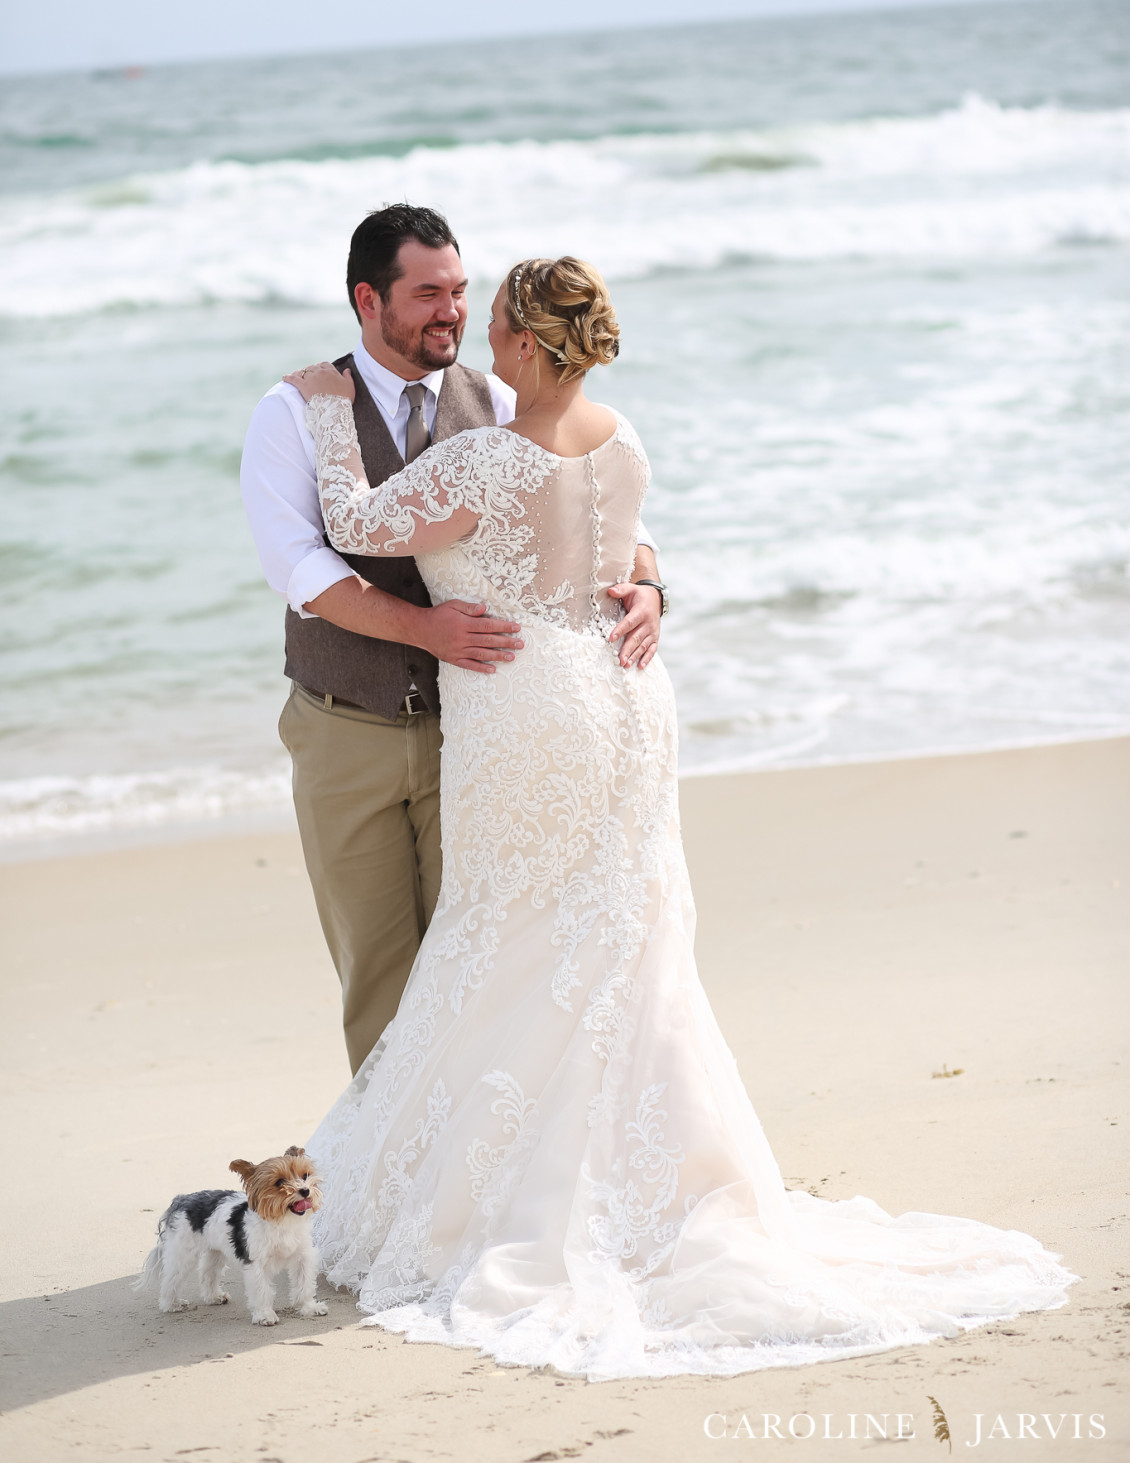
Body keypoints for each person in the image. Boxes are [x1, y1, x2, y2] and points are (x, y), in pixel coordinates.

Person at [283, 256, 1074, 1380]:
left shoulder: (479, 460)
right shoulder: (623, 437)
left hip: (530, 711)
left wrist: (322, 408)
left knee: (510, 933)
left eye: (493, 317)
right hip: (625, 694)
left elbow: (355, 519)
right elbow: (623, 552)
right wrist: (651, 588)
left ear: (516, 343)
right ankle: (648, 1178)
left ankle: (515, 1193)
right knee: (618, 937)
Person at [241, 206, 662, 1074]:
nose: (454, 313)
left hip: (475, 734)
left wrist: (651, 585)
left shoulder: (504, 397)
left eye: (464, 293)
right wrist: (423, 627)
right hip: (346, 726)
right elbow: (302, 568)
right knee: (381, 975)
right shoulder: (291, 410)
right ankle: (397, 1187)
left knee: (481, 966)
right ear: (369, 299)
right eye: (427, 292)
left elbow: (601, 523)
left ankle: (478, 1178)